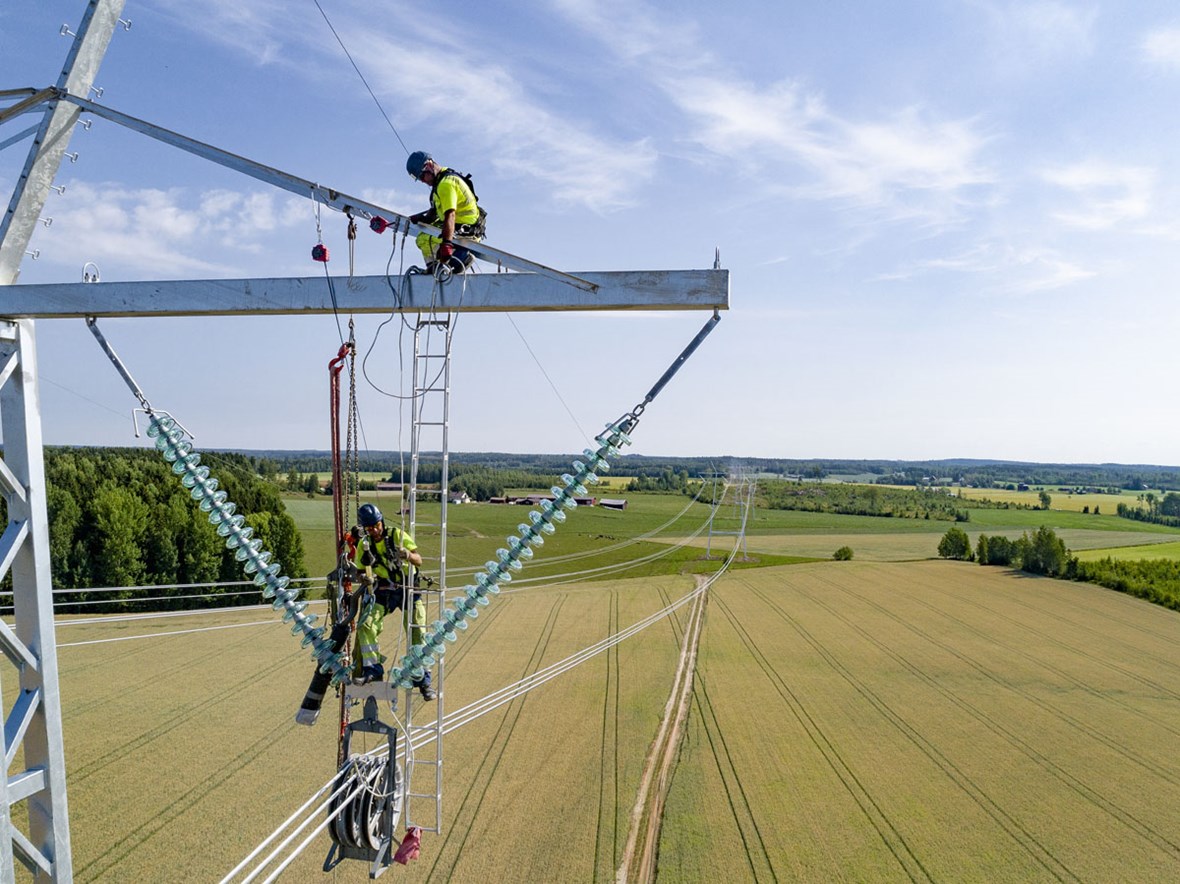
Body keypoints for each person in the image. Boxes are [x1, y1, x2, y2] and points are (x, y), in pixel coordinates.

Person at [353, 502, 436, 701]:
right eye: (369, 527)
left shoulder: (397, 536)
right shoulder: (364, 545)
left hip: (408, 588)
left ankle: (422, 679)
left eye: (376, 525)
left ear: (381, 521)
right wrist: (364, 579)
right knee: (366, 625)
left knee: (418, 631)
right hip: (383, 591)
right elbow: (358, 570)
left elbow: (418, 559)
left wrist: (407, 554)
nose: (373, 530)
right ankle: (372, 669)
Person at [405, 150, 486, 275]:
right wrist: (421, 219)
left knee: (424, 239)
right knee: (425, 236)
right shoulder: (443, 178)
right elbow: (435, 212)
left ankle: (457, 259)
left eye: (422, 176)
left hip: (465, 231)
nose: (422, 181)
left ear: (429, 166)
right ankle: (438, 266)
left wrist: (447, 244)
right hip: (465, 226)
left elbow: (450, 214)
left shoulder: (445, 184)